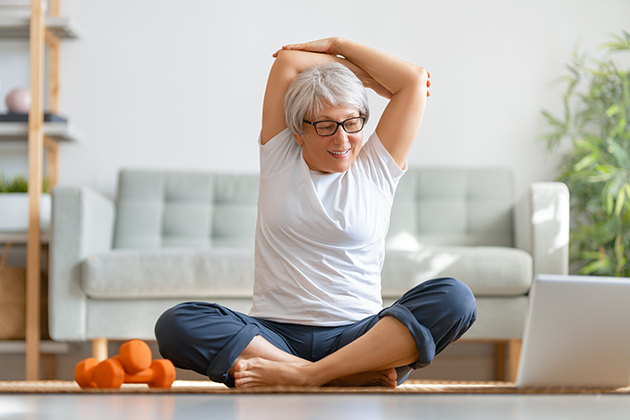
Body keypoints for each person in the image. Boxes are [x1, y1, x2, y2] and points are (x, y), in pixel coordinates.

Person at [155, 37, 476, 388]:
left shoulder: (376, 167)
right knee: (176, 323)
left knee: (456, 298)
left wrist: (340, 45)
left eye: (352, 123)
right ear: (298, 132)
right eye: (325, 126)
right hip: (274, 336)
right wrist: (358, 77)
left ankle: (304, 376)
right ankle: (340, 376)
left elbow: (412, 80)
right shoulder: (279, 159)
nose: (342, 139)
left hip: (359, 337)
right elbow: (288, 62)